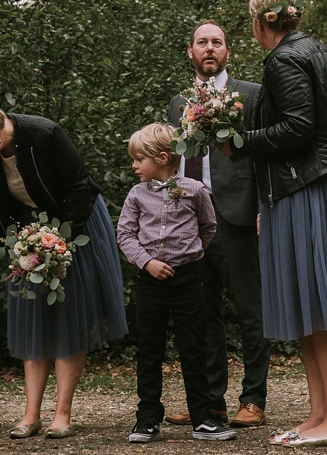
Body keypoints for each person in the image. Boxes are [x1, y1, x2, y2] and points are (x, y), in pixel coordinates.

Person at [225, 0, 327, 448]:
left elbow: (298, 127)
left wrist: (240, 142)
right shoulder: (318, 50)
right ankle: (319, 415)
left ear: (258, 22)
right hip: (310, 188)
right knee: (311, 307)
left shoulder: (284, 59)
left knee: (323, 306)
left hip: (308, 190)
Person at [0, 99, 128, 440]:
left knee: (68, 315)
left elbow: (79, 185)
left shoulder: (44, 133)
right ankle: (30, 413)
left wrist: (63, 241)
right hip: (28, 234)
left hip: (76, 226)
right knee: (32, 316)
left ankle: (62, 413)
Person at [165, 21, 271, 428]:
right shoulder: (178, 102)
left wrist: (265, 206)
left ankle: (253, 400)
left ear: (228, 52)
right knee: (202, 313)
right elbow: (171, 158)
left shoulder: (251, 94)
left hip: (239, 214)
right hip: (189, 221)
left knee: (250, 309)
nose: (210, 48)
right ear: (190, 52)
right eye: (202, 43)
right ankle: (210, 402)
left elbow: (265, 154)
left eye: (217, 42)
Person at [117, 123, 237, 443]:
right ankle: (147, 419)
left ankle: (203, 417)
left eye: (139, 159)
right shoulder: (136, 195)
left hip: (188, 280)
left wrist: (189, 256)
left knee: (194, 348)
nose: (134, 165)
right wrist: (148, 262)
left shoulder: (195, 190)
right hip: (150, 282)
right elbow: (125, 235)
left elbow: (208, 227)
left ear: (163, 157)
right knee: (150, 349)